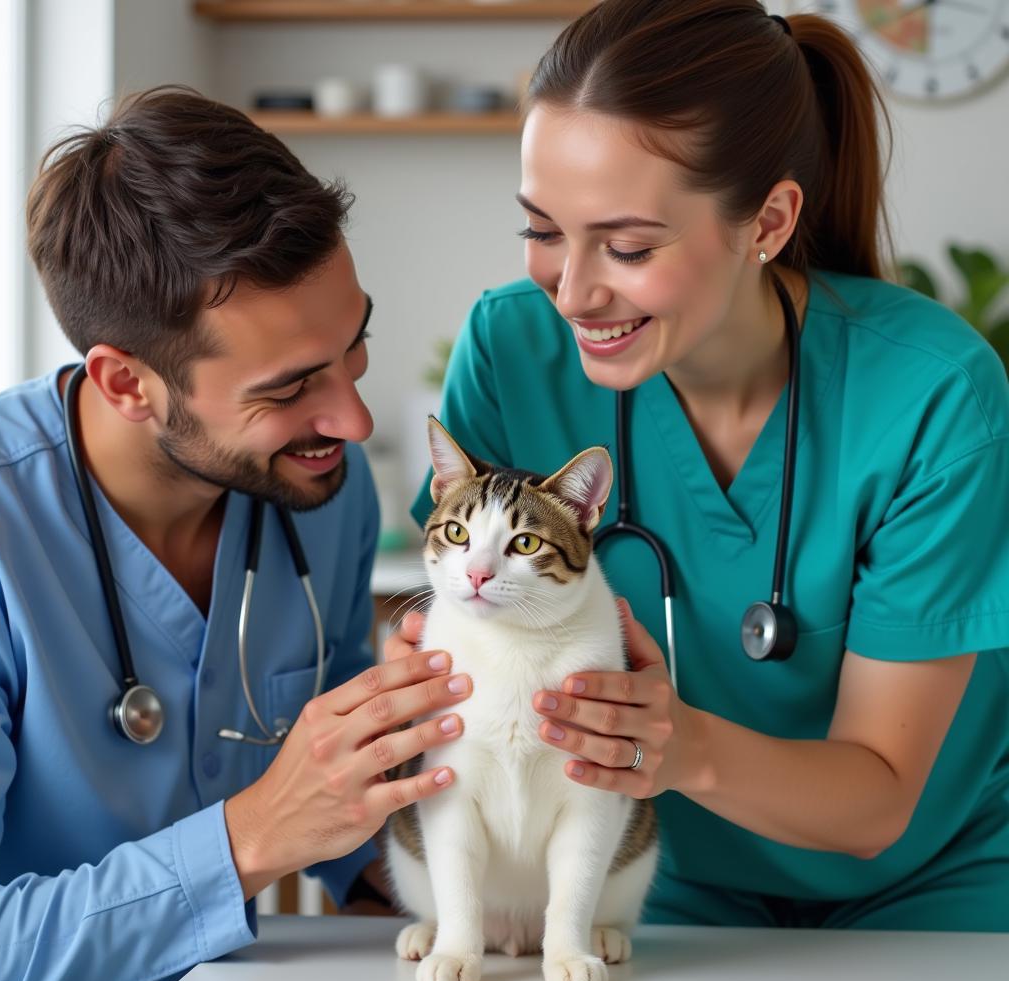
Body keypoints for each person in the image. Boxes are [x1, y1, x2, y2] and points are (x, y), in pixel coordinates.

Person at [393, 0, 1009, 930]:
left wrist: (678, 747)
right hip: (643, 880)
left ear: (767, 220)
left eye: (629, 246)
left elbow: (880, 799)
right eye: (543, 230)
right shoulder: (510, 350)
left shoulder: (932, 396)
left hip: (926, 887)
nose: (572, 291)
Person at [0, 87, 472, 981]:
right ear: (128, 382)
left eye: (353, 345)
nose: (354, 420)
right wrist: (248, 840)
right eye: (290, 387)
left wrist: (431, 872)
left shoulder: (322, 490)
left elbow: (334, 807)